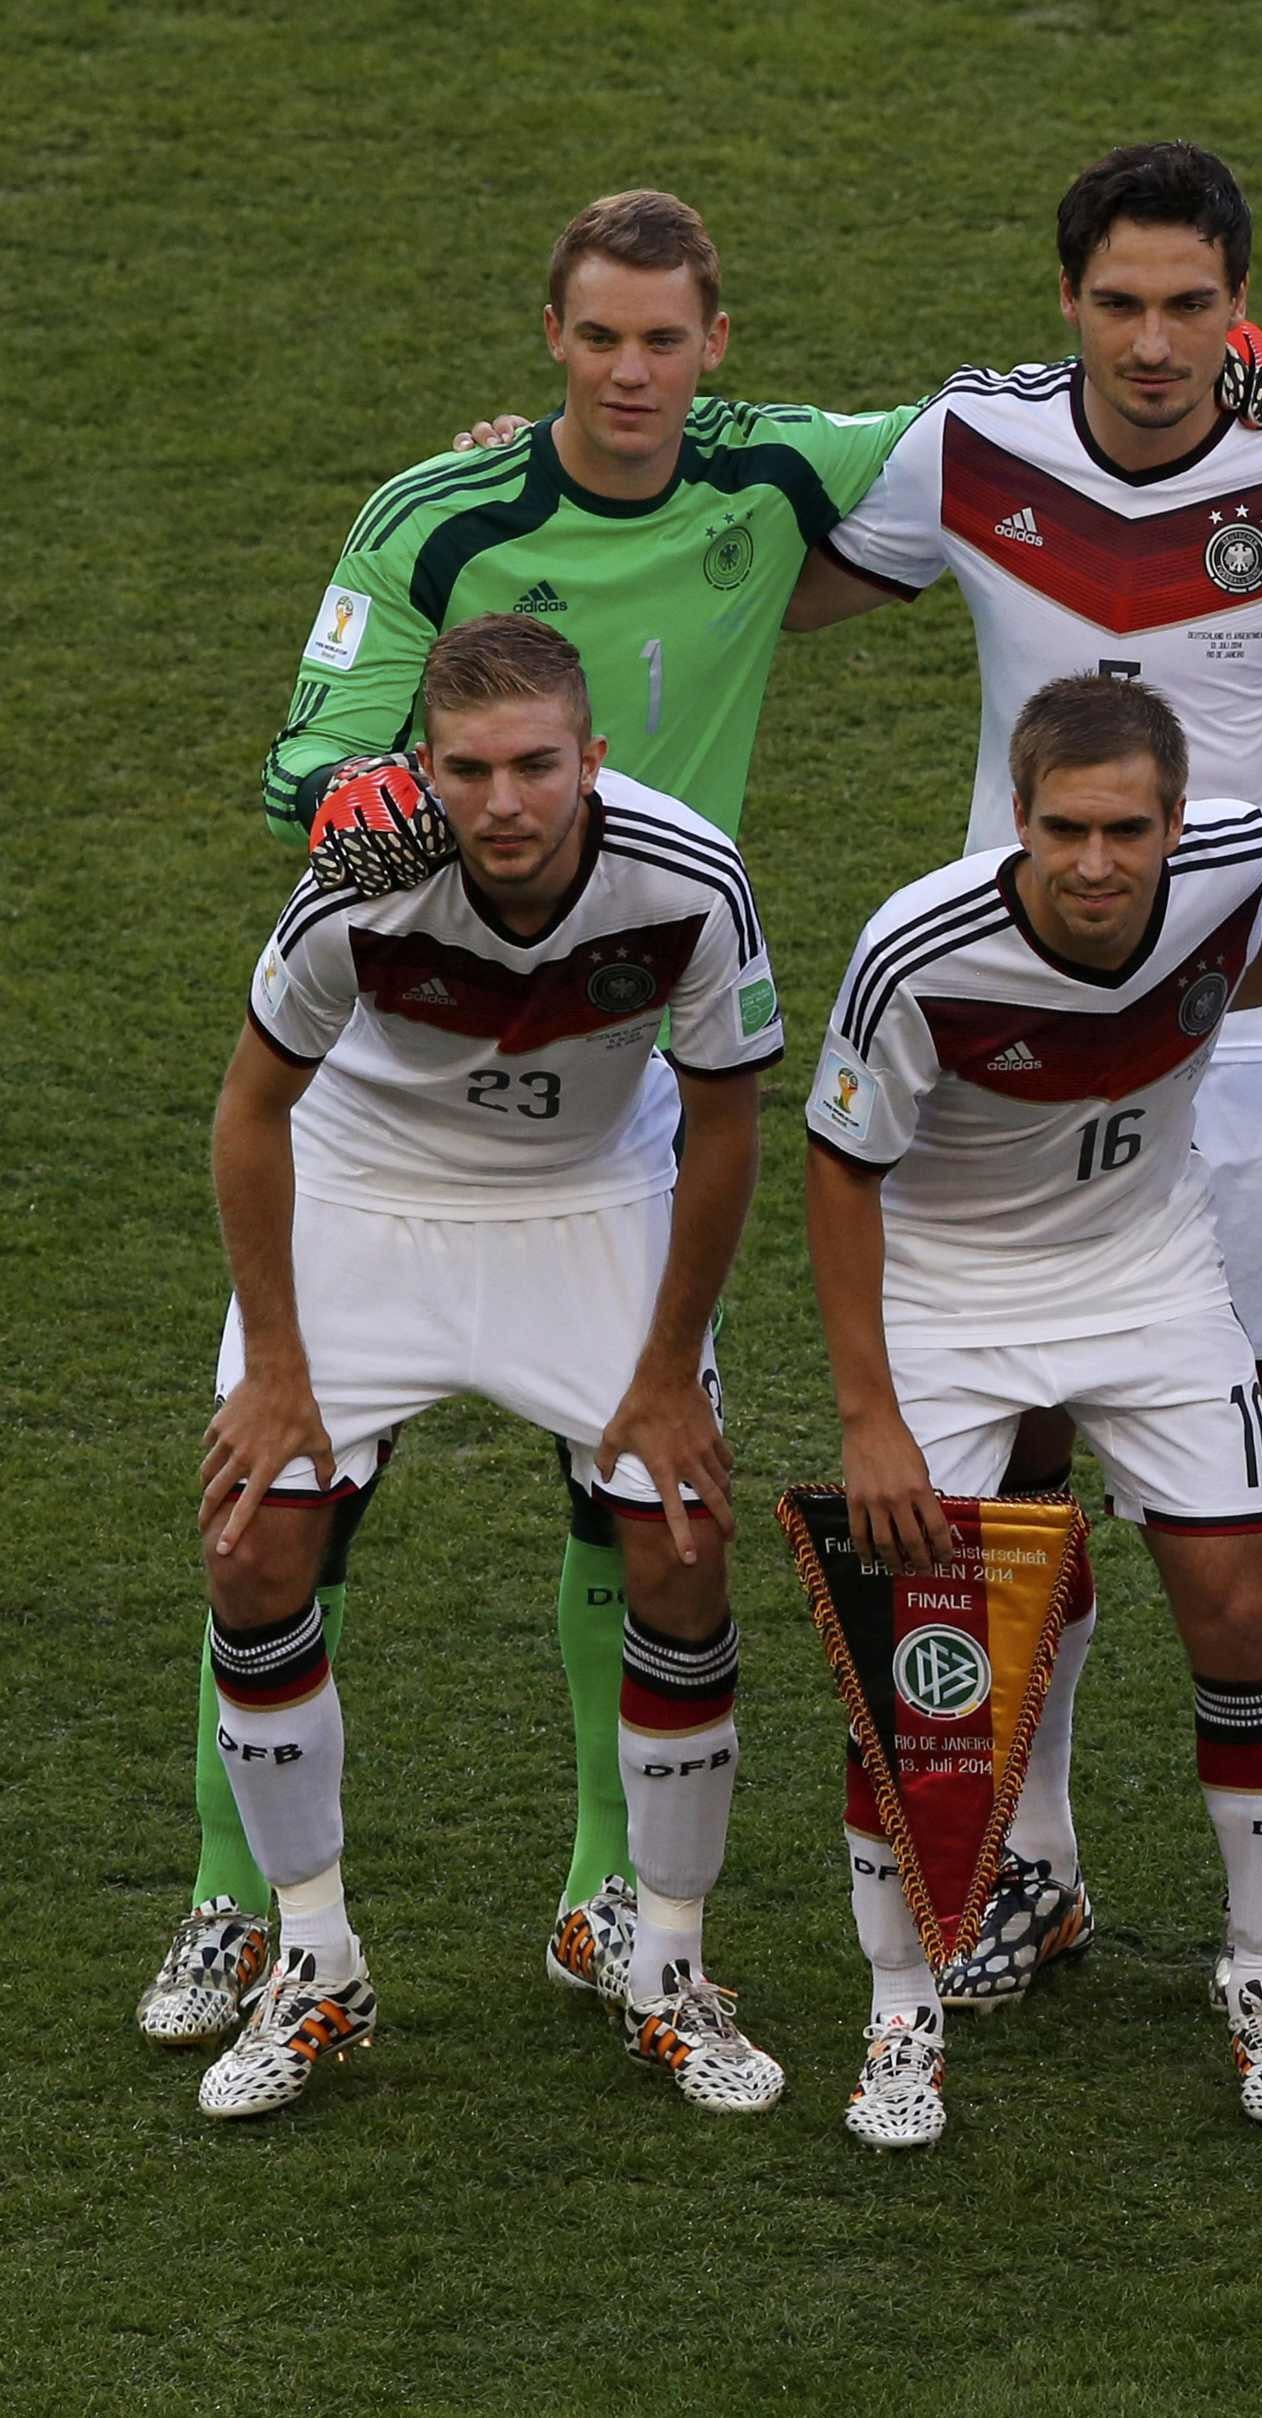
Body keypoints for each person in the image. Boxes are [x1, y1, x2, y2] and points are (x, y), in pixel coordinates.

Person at [142, 191, 917, 2054]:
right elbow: (300, 764)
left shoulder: (770, 475)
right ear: (548, 341)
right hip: (393, 1132)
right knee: (268, 1520)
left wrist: (1241, 372)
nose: (634, 370)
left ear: (716, 342)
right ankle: (237, 1911)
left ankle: (617, 1905)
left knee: (655, 1505)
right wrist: (375, 814)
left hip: (617, 1075)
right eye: (601, 337)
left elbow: (1022, 419)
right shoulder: (439, 517)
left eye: (667, 338)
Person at [785, 141, 1262, 2003]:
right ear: (1066, 302)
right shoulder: (968, 450)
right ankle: (1031, 1853)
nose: (1158, 344)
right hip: (1012, 1016)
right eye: (1121, 304)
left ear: (1239, 306)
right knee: (1007, 1454)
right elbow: (756, 583)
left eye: (1193, 306)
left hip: (1249, 1015)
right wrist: (565, 481)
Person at [192, 614, 785, 2119]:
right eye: (468, 771)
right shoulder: (359, 882)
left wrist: (664, 1374)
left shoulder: (690, 877)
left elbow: (725, 1126)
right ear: (423, 767)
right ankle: (312, 1958)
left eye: (536, 765)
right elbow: (253, 1113)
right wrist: (274, 1366)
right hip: (367, 1190)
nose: (504, 802)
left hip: (586, 1190)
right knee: (257, 1547)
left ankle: (666, 1957)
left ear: (594, 757)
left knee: (684, 1546)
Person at [805, 673, 1262, 2145]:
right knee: (922, 1654)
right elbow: (841, 1169)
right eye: (1065, 829)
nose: (1098, 862)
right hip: (955, 1293)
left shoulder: (1230, 866)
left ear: (1180, 823)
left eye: (1129, 829)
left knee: (1242, 1614)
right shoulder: (914, 949)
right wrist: (872, 1415)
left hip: (1150, 1276)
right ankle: (901, 2012)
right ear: (1016, 818)